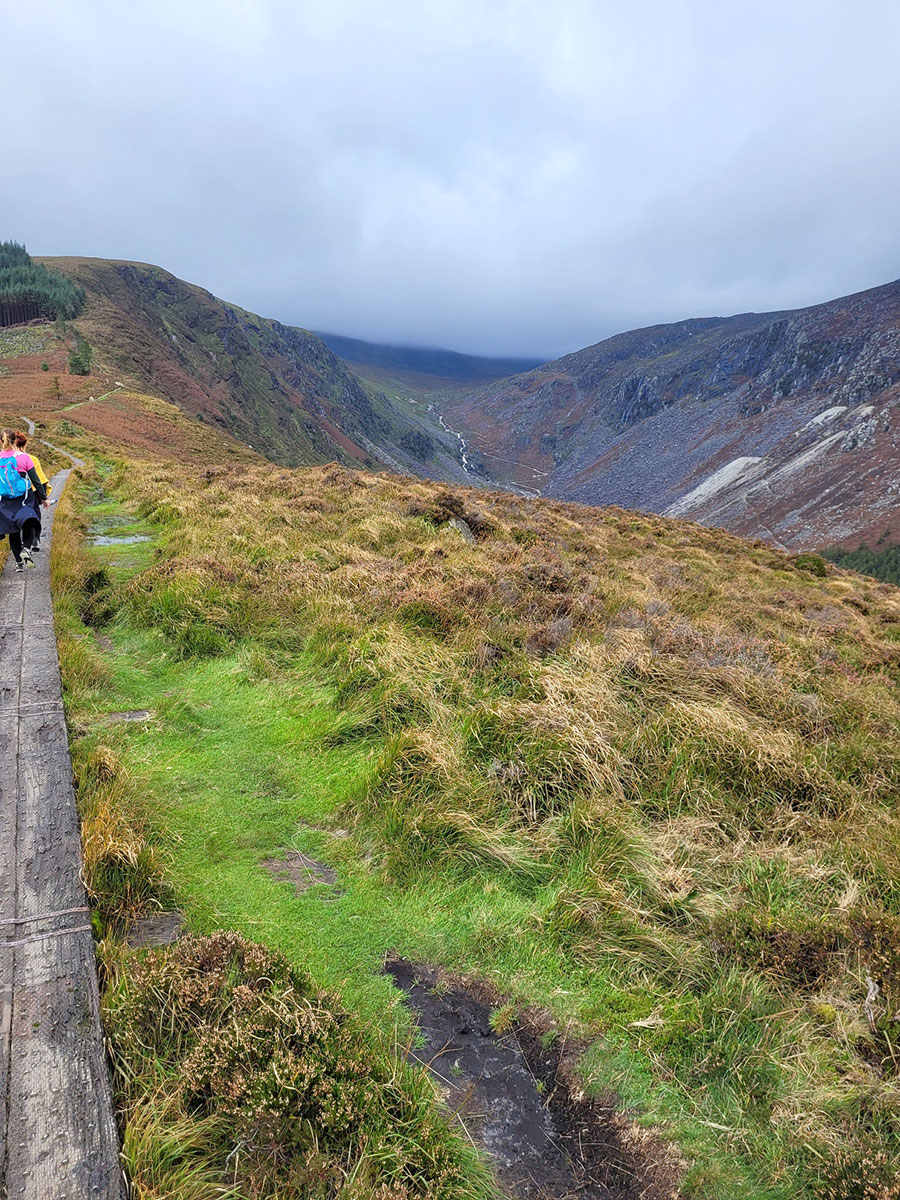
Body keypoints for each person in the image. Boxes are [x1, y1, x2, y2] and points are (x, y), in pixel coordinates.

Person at [0, 428, 47, 573]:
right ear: (15, 440)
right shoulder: (24, 457)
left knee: (12, 530)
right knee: (30, 523)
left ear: (1, 441)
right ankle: (26, 549)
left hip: (5, 500)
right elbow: (36, 480)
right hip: (24, 498)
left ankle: (18, 564)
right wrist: (43, 498)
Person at [13, 431, 51, 551]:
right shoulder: (31, 458)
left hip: (11, 493)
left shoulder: (6, 458)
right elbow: (39, 480)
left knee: (15, 519)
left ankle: (18, 549)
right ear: (26, 444)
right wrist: (44, 497)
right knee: (34, 516)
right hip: (30, 493)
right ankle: (32, 541)